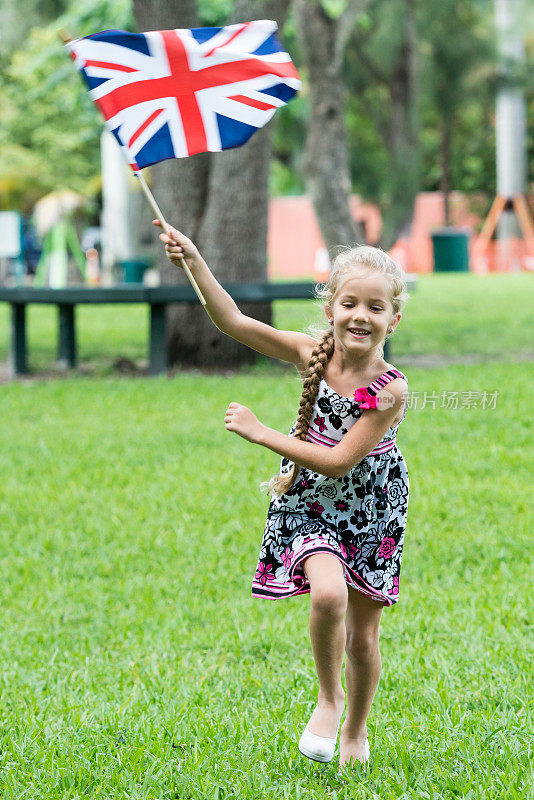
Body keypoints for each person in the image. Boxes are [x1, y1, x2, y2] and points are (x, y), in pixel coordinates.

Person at [155, 220, 410, 774]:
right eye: (349, 303)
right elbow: (234, 322)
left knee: (363, 637)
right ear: (330, 309)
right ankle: (328, 698)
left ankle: (357, 726)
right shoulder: (309, 354)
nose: (360, 316)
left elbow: (342, 459)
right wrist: (195, 261)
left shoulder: (391, 389)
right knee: (326, 597)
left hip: (371, 507)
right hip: (309, 500)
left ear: (395, 317)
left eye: (374, 307)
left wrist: (261, 432)